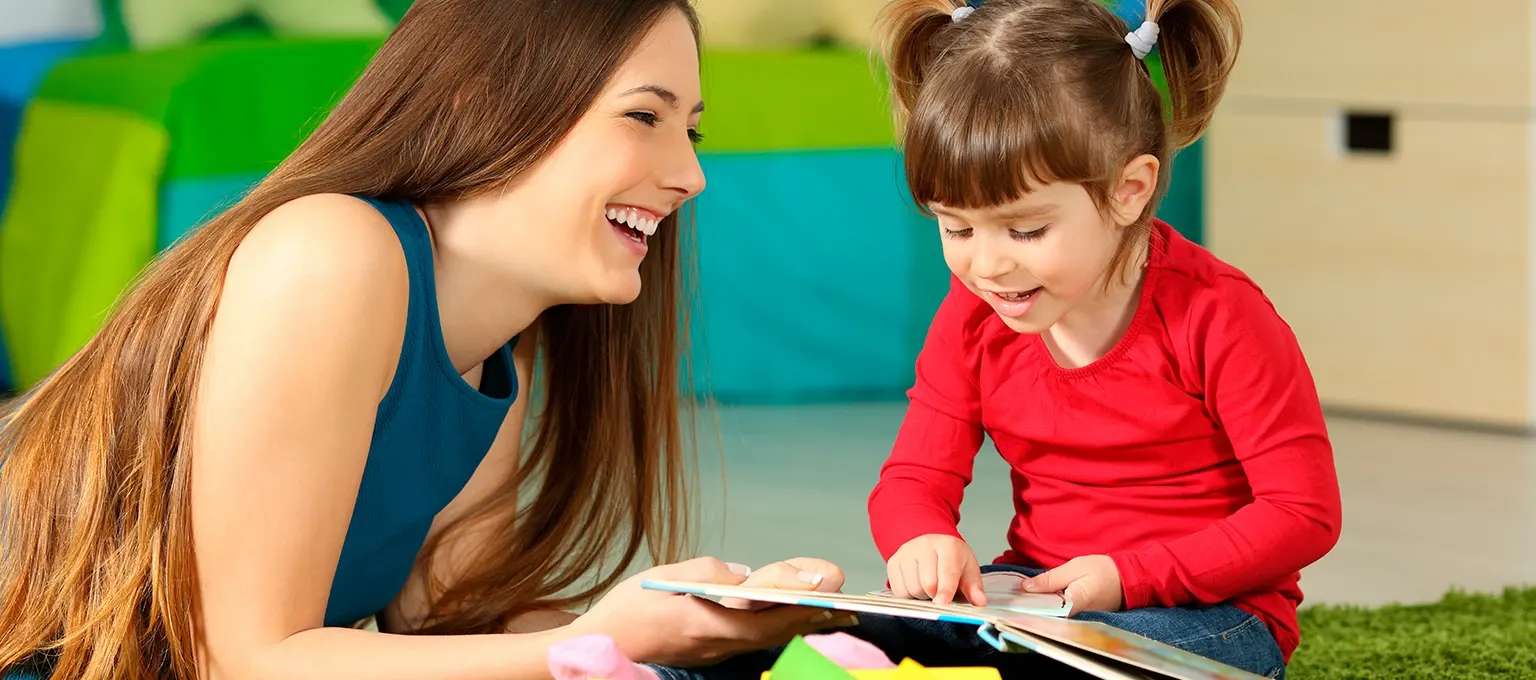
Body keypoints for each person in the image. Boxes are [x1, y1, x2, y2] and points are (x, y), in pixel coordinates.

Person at [0, 2, 856, 679]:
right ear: (481, 102)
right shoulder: (331, 251)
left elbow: (456, 624)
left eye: (692, 130)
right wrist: (602, 640)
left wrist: (699, 622)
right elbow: (248, 661)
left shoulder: (495, 347)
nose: (691, 174)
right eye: (644, 116)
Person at [859, 0, 1344, 678]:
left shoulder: (1220, 315)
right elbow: (914, 478)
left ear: (1129, 190)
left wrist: (1127, 576)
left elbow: (1303, 514)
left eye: (1025, 230)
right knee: (859, 637)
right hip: (1040, 593)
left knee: (1067, 663)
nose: (988, 265)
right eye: (957, 228)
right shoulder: (972, 315)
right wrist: (923, 537)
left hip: (1212, 615)